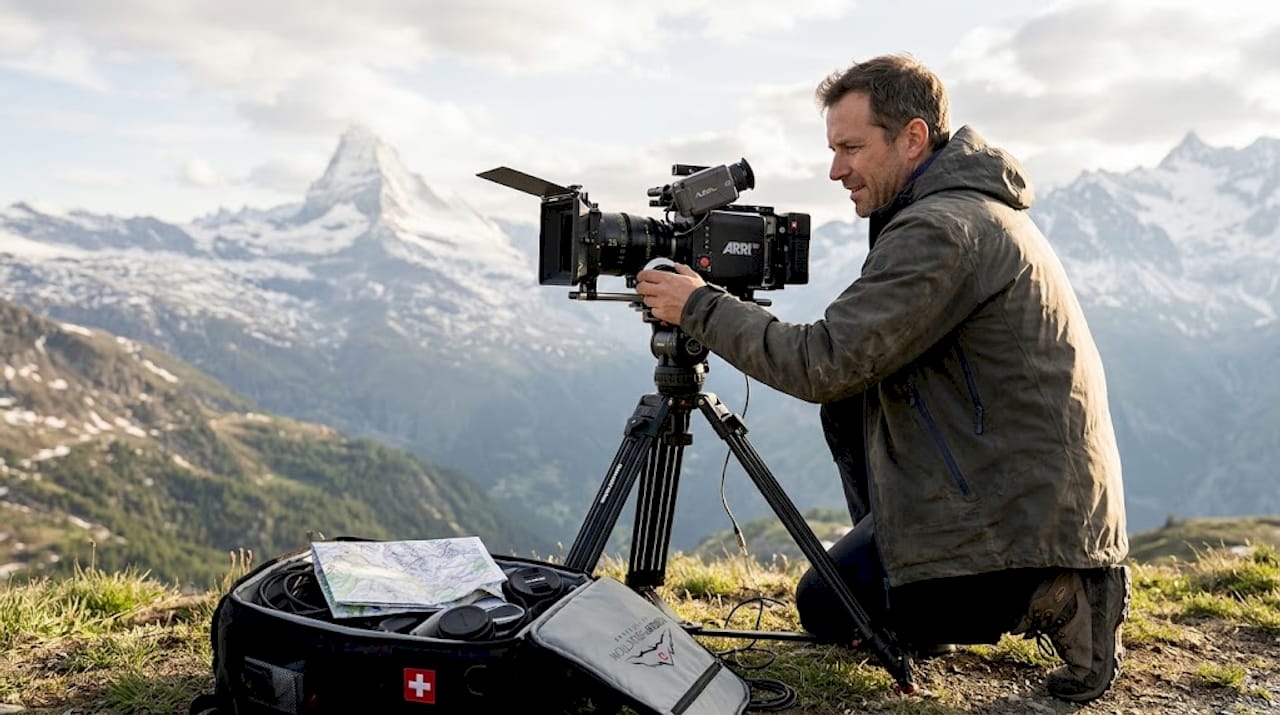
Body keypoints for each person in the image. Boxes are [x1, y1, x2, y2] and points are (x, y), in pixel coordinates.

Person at [635, 54, 1130, 703]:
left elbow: (823, 361)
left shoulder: (942, 230)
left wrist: (699, 307)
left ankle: (1058, 591)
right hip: (998, 481)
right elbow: (852, 355)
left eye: (850, 147)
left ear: (913, 138)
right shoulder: (955, 212)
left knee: (830, 607)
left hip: (1021, 511)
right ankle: (949, 588)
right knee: (836, 588)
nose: (836, 168)